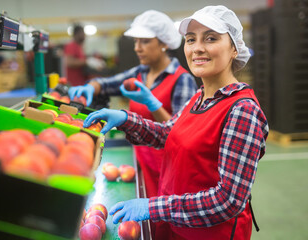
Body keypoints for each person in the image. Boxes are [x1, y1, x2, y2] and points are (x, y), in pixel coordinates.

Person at [83, 5, 269, 240]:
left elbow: (228, 201)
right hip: (176, 226)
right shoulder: (199, 97)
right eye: (191, 40)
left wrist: (154, 207)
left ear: (234, 49)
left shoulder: (242, 111)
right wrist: (125, 119)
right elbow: (166, 133)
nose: (198, 48)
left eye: (210, 38)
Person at [69, 10, 197, 200]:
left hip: (168, 168)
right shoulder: (140, 73)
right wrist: (90, 87)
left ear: (163, 43)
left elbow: (181, 134)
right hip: (140, 160)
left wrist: (154, 105)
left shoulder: (182, 80)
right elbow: (107, 84)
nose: (137, 48)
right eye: (136, 41)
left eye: (144, 41)